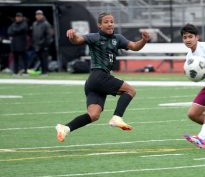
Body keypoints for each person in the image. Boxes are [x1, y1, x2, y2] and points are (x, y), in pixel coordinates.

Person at [55, 12, 151, 142]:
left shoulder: (118, 38)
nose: (110, 24)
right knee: (130, 90)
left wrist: (144, 40)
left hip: (93, 82)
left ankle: (65, 128)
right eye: (106, 22)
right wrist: (72, 36)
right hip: (99, 76)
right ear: (99, 25)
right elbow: (77, 40)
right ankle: (117, 117)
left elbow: (134, 47)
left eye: (111, 21)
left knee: (94, 115)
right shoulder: (94, 37)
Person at [31, 10, 53, 75]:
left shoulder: (46, 24)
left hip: (44, 45)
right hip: (37, 45)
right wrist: (34, 43)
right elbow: (34, 34)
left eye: (39, 15)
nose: (38, 16)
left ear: (42, 15)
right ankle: (42, 71)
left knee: (44, 59)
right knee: (40, 59)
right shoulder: (34, 24)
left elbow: (49, 35)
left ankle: (45, 72)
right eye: (37, 15)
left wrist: (45, 44)